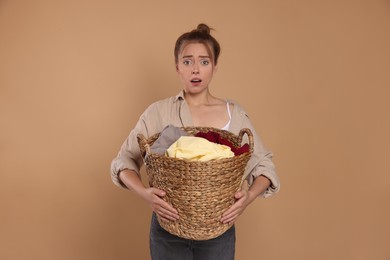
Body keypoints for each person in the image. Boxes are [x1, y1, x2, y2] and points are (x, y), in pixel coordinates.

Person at [110, 23, 280, 260]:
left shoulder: (234, 114)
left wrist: (247, 199)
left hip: (218, 230)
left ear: (215, 67)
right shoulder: (158, 113)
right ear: (177, 67)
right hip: (167, 229)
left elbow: (264, 167)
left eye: (204, 61)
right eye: (187, 61)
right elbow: (123, 162)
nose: (195, 70)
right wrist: (145, 193)